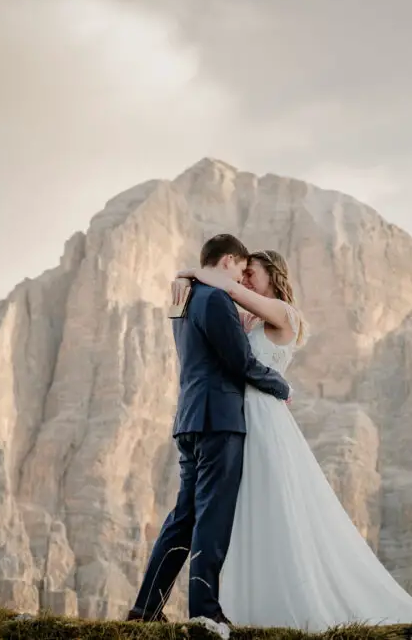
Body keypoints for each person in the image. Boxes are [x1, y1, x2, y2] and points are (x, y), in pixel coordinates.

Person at [171, 248, 412, 630]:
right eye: (243, 273)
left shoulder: (285, 314)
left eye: (250, 272)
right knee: (248, 510)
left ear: (271, 274)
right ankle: (249, 604)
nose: (244, 280)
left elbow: (229, 292)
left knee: (273, 505)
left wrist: (191, 271)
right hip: (240, 420)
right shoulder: (252, 318)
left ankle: (292, 603)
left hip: (265, 421)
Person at [126, 234, 291, 627]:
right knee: (212, 517)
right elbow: (239, 361)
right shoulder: (215, 299)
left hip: (188, 419)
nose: (241, 280)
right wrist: (280, 385)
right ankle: (204, 609)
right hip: (218, 419)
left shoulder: (182, 300)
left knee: (183, 516)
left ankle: (145, 608)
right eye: (240, 269)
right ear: (229, 261)